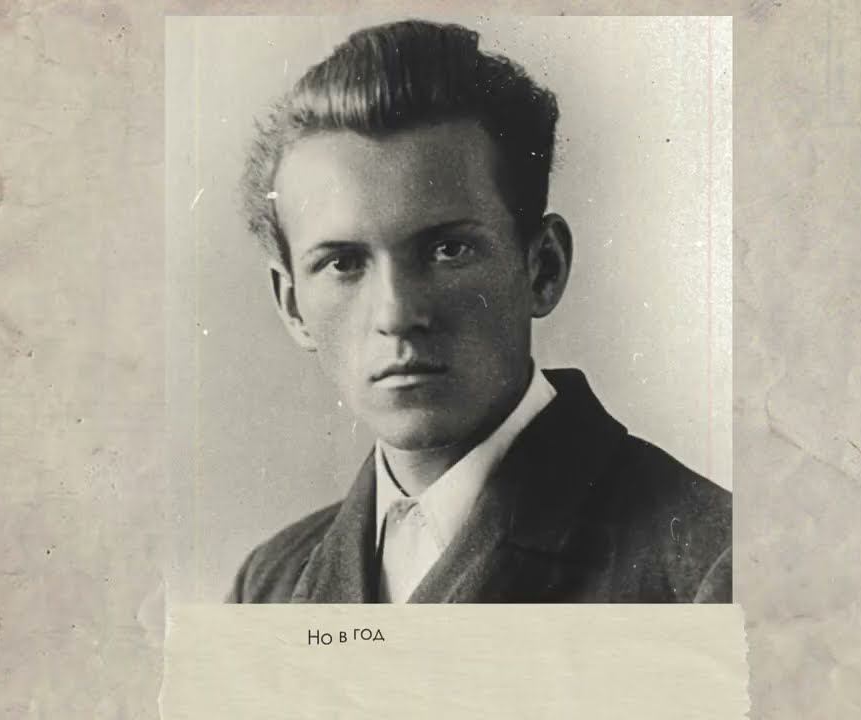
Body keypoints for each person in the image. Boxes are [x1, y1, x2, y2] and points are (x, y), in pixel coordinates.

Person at [226, 19, 731, 603]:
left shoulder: (711, 567)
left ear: (543, 269)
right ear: (292, 306)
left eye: (448, 250)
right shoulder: (267, 586)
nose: (396, 314)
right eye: (343, 263)